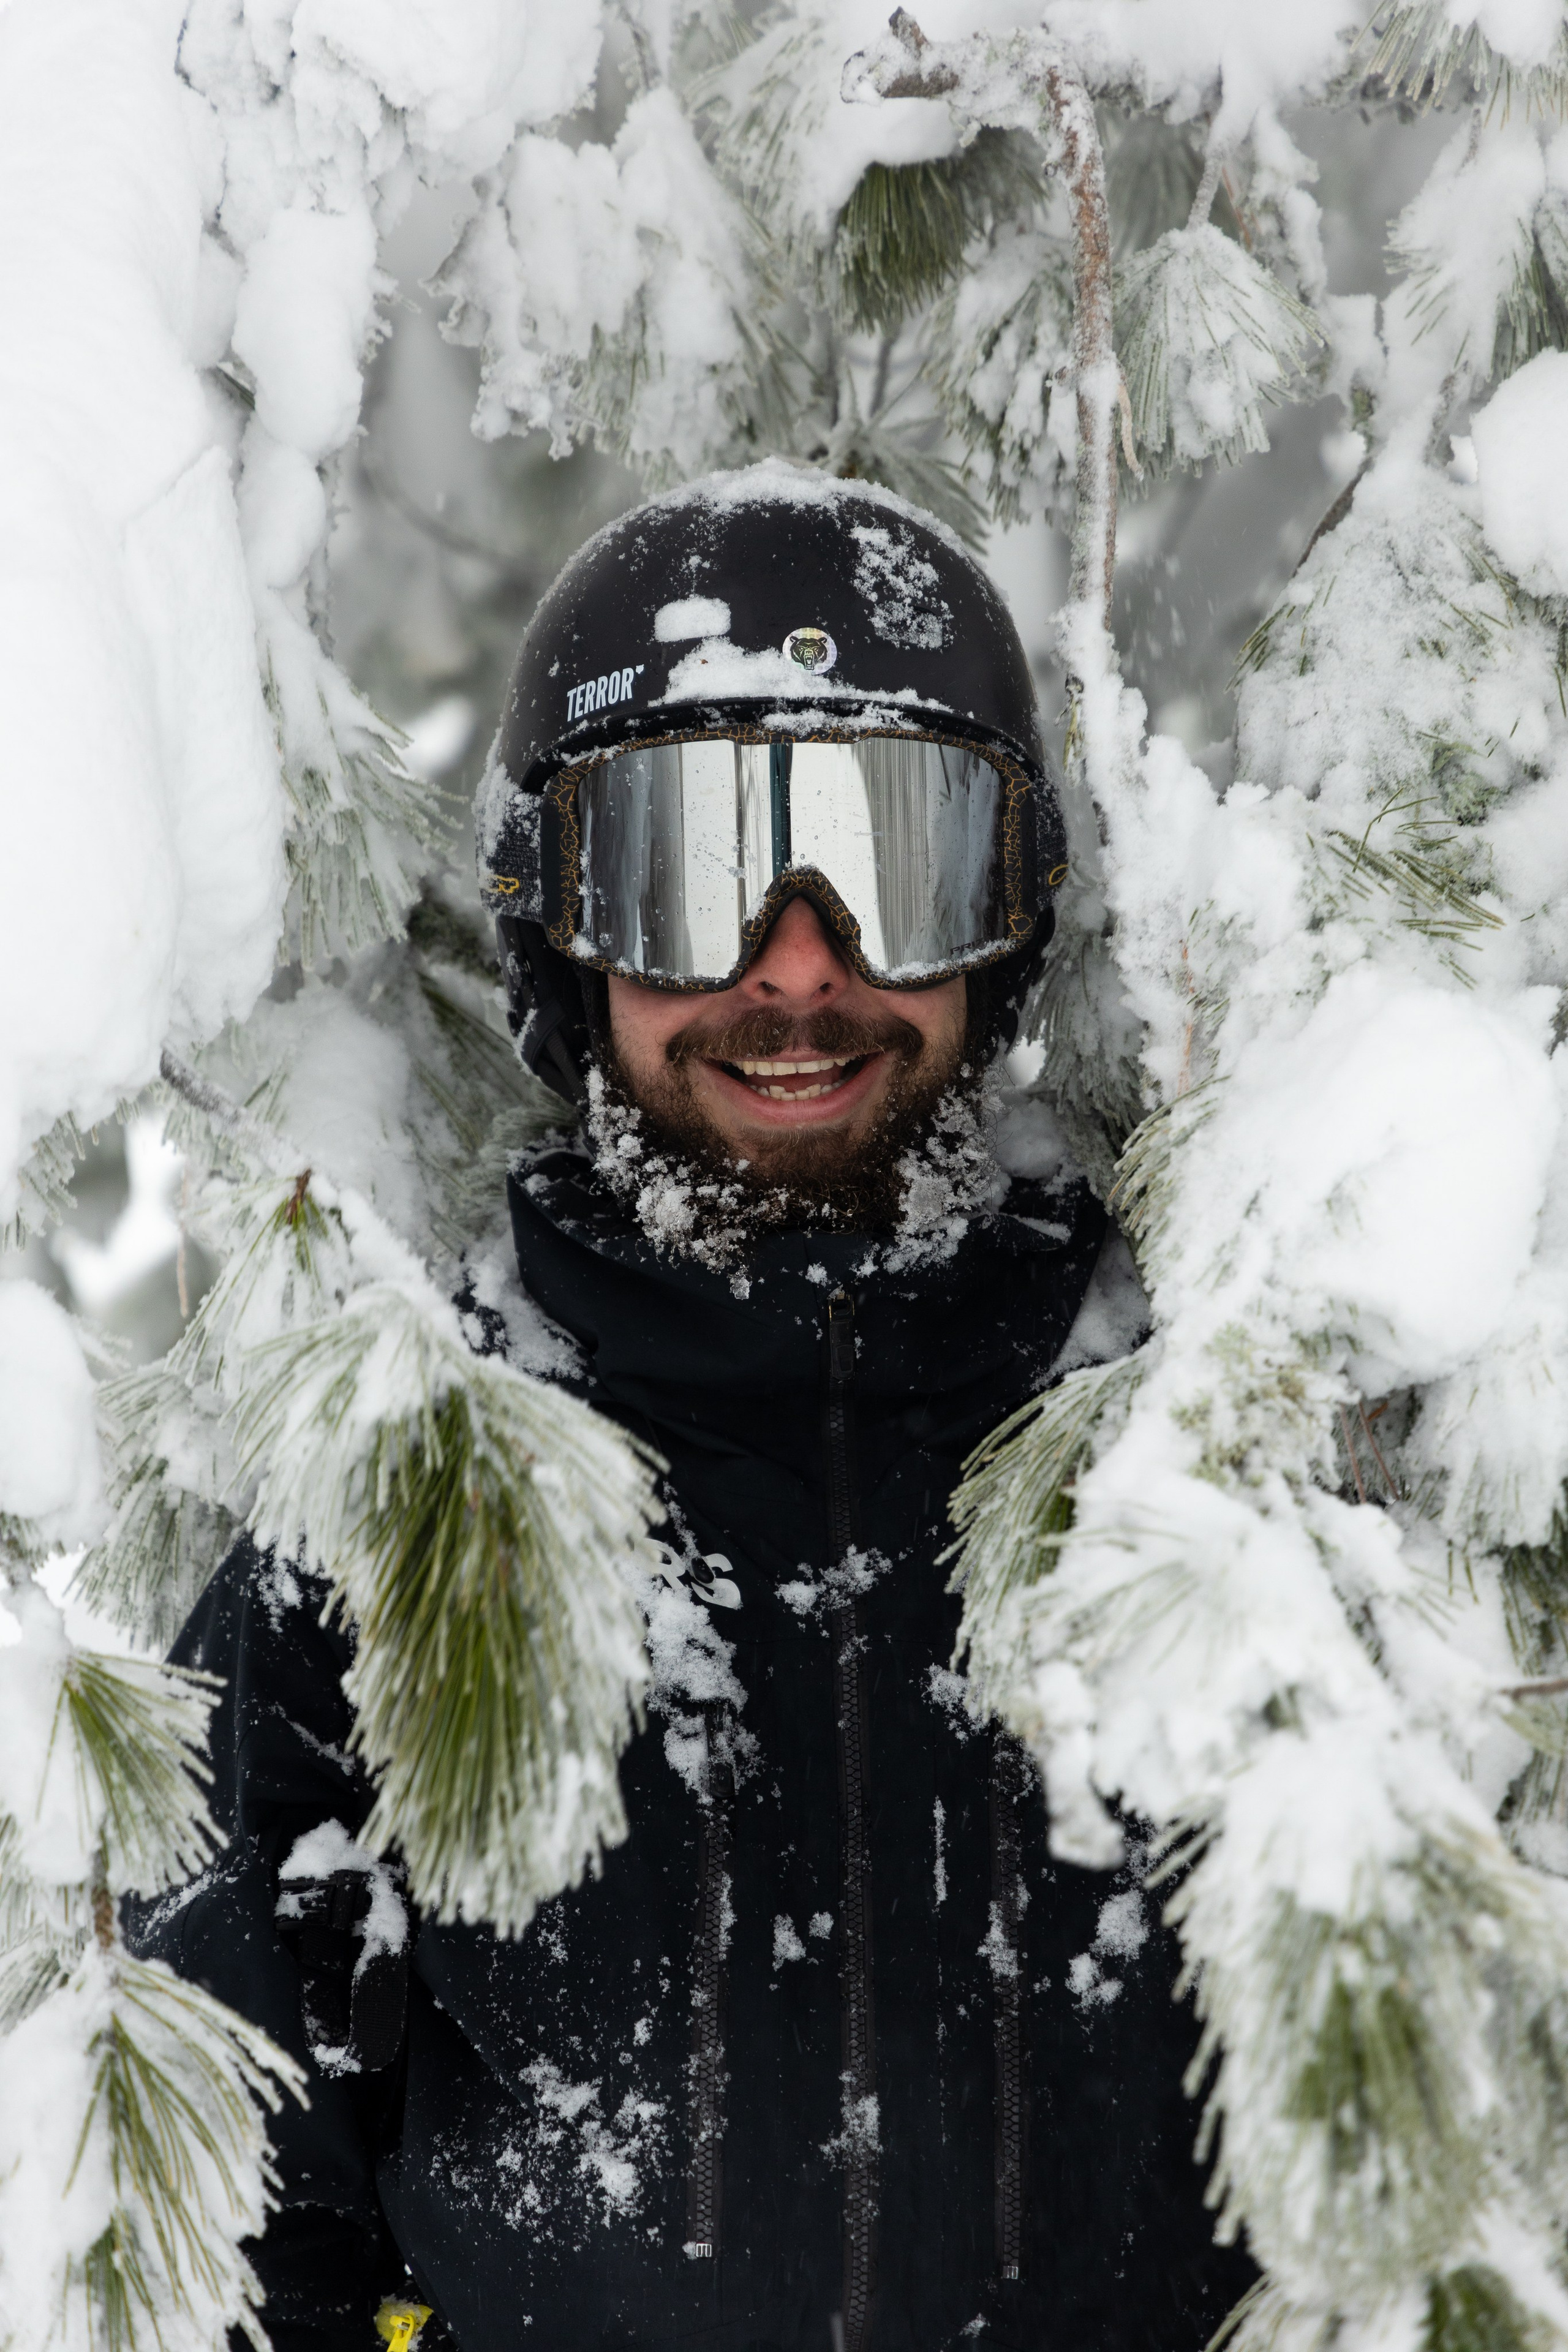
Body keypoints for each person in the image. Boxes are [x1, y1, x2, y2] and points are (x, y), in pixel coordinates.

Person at [129, 466, 1253, 2351]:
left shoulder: (1200, 1447)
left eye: (892, 861)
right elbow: (223, 2228)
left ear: (1010, 910)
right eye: (690, 871)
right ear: (566, 928)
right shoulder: (398, 1514)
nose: (799, 965)